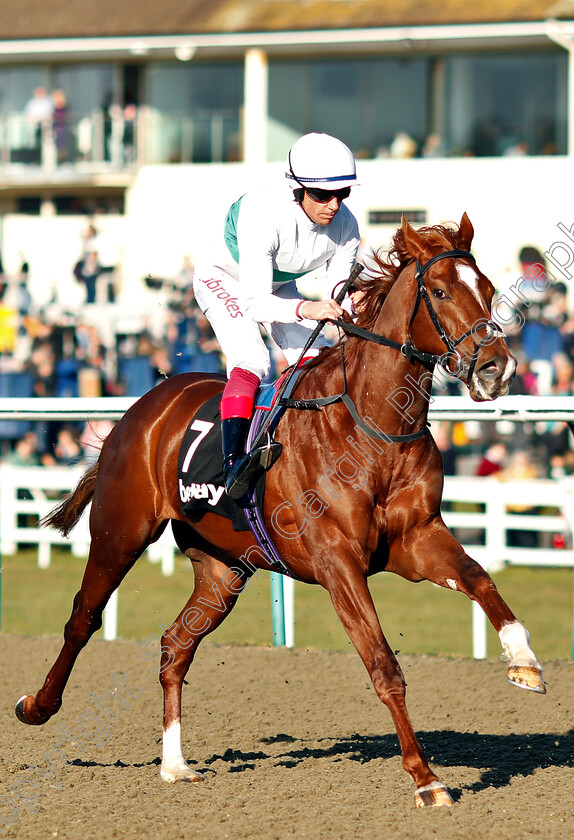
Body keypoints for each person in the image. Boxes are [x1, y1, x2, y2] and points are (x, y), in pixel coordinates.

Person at [192, 132, 361, 498]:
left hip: (277, 283)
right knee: (253, 359)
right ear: (297, 189)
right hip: (226, 276)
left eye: (342, 193)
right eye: (321, 195)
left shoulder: (347, 227)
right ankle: (233, 462)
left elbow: (337, 293)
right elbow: (254, 302)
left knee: (315, 360)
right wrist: (307, 308)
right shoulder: (264, 213)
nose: (333, 205)